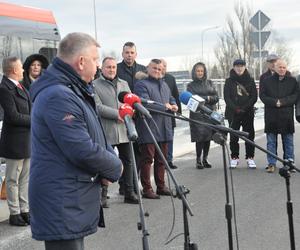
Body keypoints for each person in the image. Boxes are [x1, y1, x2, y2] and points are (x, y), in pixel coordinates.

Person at [29, 32, 122, 250]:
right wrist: (115, 167)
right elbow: (80, 148)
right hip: (61, 201)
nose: (98, 66)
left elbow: (94, 131)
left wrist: (107, 162)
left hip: (70, 197)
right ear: (81, 62)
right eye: (95, 60)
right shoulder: (58, 95)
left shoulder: (73, 90)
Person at [93, 57, 138, 206]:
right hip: (107, 130)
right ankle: (102, 196)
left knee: (129, 161)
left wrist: (128, 113)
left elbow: (130, 102)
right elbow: (97, 107)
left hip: (124, 129)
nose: (111, 70)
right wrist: (116, 114)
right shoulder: (94, 85)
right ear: (102, 69)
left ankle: (129, 192)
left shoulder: (123, 84)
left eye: (113, 67)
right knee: (105, 162)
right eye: (108, 67)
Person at [134, 59, 178, 199]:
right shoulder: (141, 84)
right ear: (148, 68)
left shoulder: (164, 84)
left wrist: (173, 104)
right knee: (147, 160)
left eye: (159, 69)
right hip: (149, 128)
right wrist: (164, 106)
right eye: (154, 68)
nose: (157, 71)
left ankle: (161, 186)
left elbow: (171, 98)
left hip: (164, 127)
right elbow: (145, 104)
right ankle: (147, 189)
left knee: (162, 160)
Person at [0, 56, 31, 226]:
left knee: (24, 178)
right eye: (21, 68)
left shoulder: (20, 86)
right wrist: (36, 120)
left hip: (25, 139)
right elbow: (12, 116)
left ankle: (24, 210)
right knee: (13, 179)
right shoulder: (4, 89)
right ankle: (14, 213)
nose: (23, 70)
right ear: (13, 70)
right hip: (14, 141)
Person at [259, 59, 298, 173]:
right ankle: (271, 163)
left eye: (284, 67)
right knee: (271, 141)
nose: (282, 69)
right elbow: (262, 95)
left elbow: (295, 96)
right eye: (279, 67)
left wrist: (283, 102)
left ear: (286, 68)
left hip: (286, 115)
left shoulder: (292, 81)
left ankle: (289, 162)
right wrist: (274, 102)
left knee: (288, 141)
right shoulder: (267, 81)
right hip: (271, 115)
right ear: (274, 68)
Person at [224, 59, 258, 169]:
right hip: (233, 112)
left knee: (249, 135)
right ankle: (234, 157)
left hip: (247, 112)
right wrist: (236, 108)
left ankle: (250, 157)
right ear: (233, 67)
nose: (239, 68)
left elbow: (254, 97)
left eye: (241, 66)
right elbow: (227, 97)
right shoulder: (229, 81)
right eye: (237, 66)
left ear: (245, 67)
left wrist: (244, 107)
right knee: (233, 135)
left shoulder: (250, 80)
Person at [186, 62, 219, 169]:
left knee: (208, 137)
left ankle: (205, 159)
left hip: (209, 113)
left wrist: (206, 98)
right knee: (199, 138)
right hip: (197, 113)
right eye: (198, 71)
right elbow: (191, 98)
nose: (200, 73)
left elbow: (216, 97)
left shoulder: (210, 83)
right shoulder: (190, 85)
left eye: (201, 71)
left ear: (204, 72)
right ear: (194, 72)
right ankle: (198, 160)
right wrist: (208, 98)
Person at [160, 59, 182, 169]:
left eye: (165, 65)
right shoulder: (153, 79)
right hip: (159, 114)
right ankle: (161, 161)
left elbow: (175, 95)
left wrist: (178, 111)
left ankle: (169, 160)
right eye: (161, 65)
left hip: (170, 113)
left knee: (170, 139)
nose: (163, 67)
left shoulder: (170, 79)